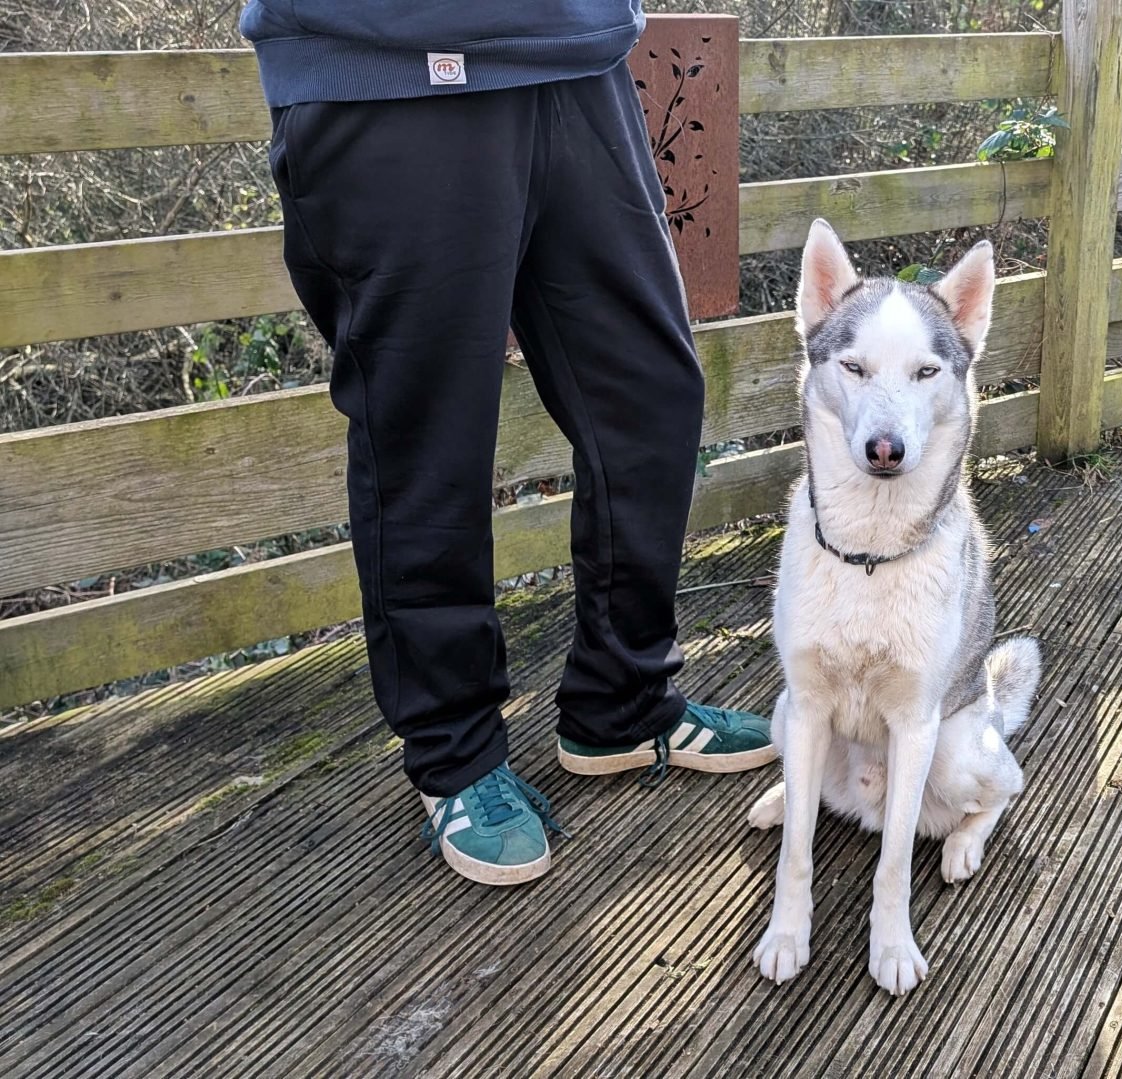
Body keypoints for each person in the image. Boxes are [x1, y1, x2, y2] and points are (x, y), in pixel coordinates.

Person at [239, 0, 774, 887]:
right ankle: (455, 753)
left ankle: (621, 701)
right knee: (427, 435)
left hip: (575, 54)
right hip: (388, 67)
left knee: (650, 396)